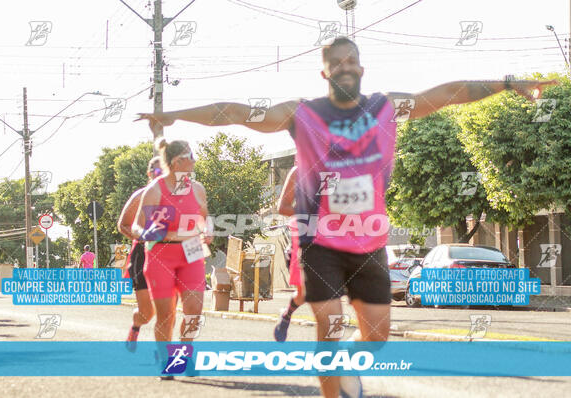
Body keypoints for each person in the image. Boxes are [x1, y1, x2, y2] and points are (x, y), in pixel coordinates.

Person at [136, 36, 556, 397]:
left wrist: (506, 83)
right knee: (330, 327)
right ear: (324, 73)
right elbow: (241, 112)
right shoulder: (302, 114)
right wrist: (179, 114)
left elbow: (448, 93)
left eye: (350, 61)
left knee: (375, 337)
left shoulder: (386, 107)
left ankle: (350, 366)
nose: (344, 67)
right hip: (319, 242)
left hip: (369, 240)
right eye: (334, 63)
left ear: (361, 67)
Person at [131, 138, 212, 377]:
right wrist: (145, 233)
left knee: (194, 310)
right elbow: (137, 225)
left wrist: (208, 230)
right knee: (166, 314)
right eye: (191, 156)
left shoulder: (197, 189)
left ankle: (184, 356)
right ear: (178, 161)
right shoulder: (156, 189)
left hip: (192, 253)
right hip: (160, 255)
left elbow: (205, 217)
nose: (195, 161)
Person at [117, 156, 162, 352]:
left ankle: (164, 352)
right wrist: (144, 237)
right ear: (149, 174)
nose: (161, 177)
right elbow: (123, 224)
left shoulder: (177, 196)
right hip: (142, 254)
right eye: (157, 172)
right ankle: (135, 327)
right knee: (147, 312)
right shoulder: (141, 195)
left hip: (169, 255)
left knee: (166, 310)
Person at [273, 166, 305, 342]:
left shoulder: (341, 170)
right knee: (304, 294)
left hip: (333, 237)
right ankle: (287, 315)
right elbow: (283, 207)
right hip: (304, 236)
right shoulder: (298, 172)